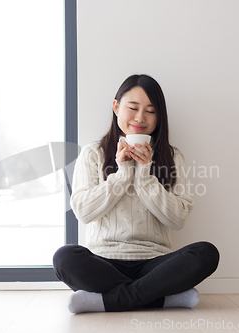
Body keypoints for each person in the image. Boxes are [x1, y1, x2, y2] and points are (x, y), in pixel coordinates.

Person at [53, 74, 219, 314]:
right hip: (104, 261)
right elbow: (83, 212)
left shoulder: (172, 157)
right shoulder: (93, 153)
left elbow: (177, 219)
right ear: (116, 107)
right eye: (133, 108)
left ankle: (108, 301)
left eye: (151, 111)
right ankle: (161, 299)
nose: (140, 118)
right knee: (65, 257)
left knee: (206, 253)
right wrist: (121, 175)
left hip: (155, 264)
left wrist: (144, 175)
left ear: (159, 116)